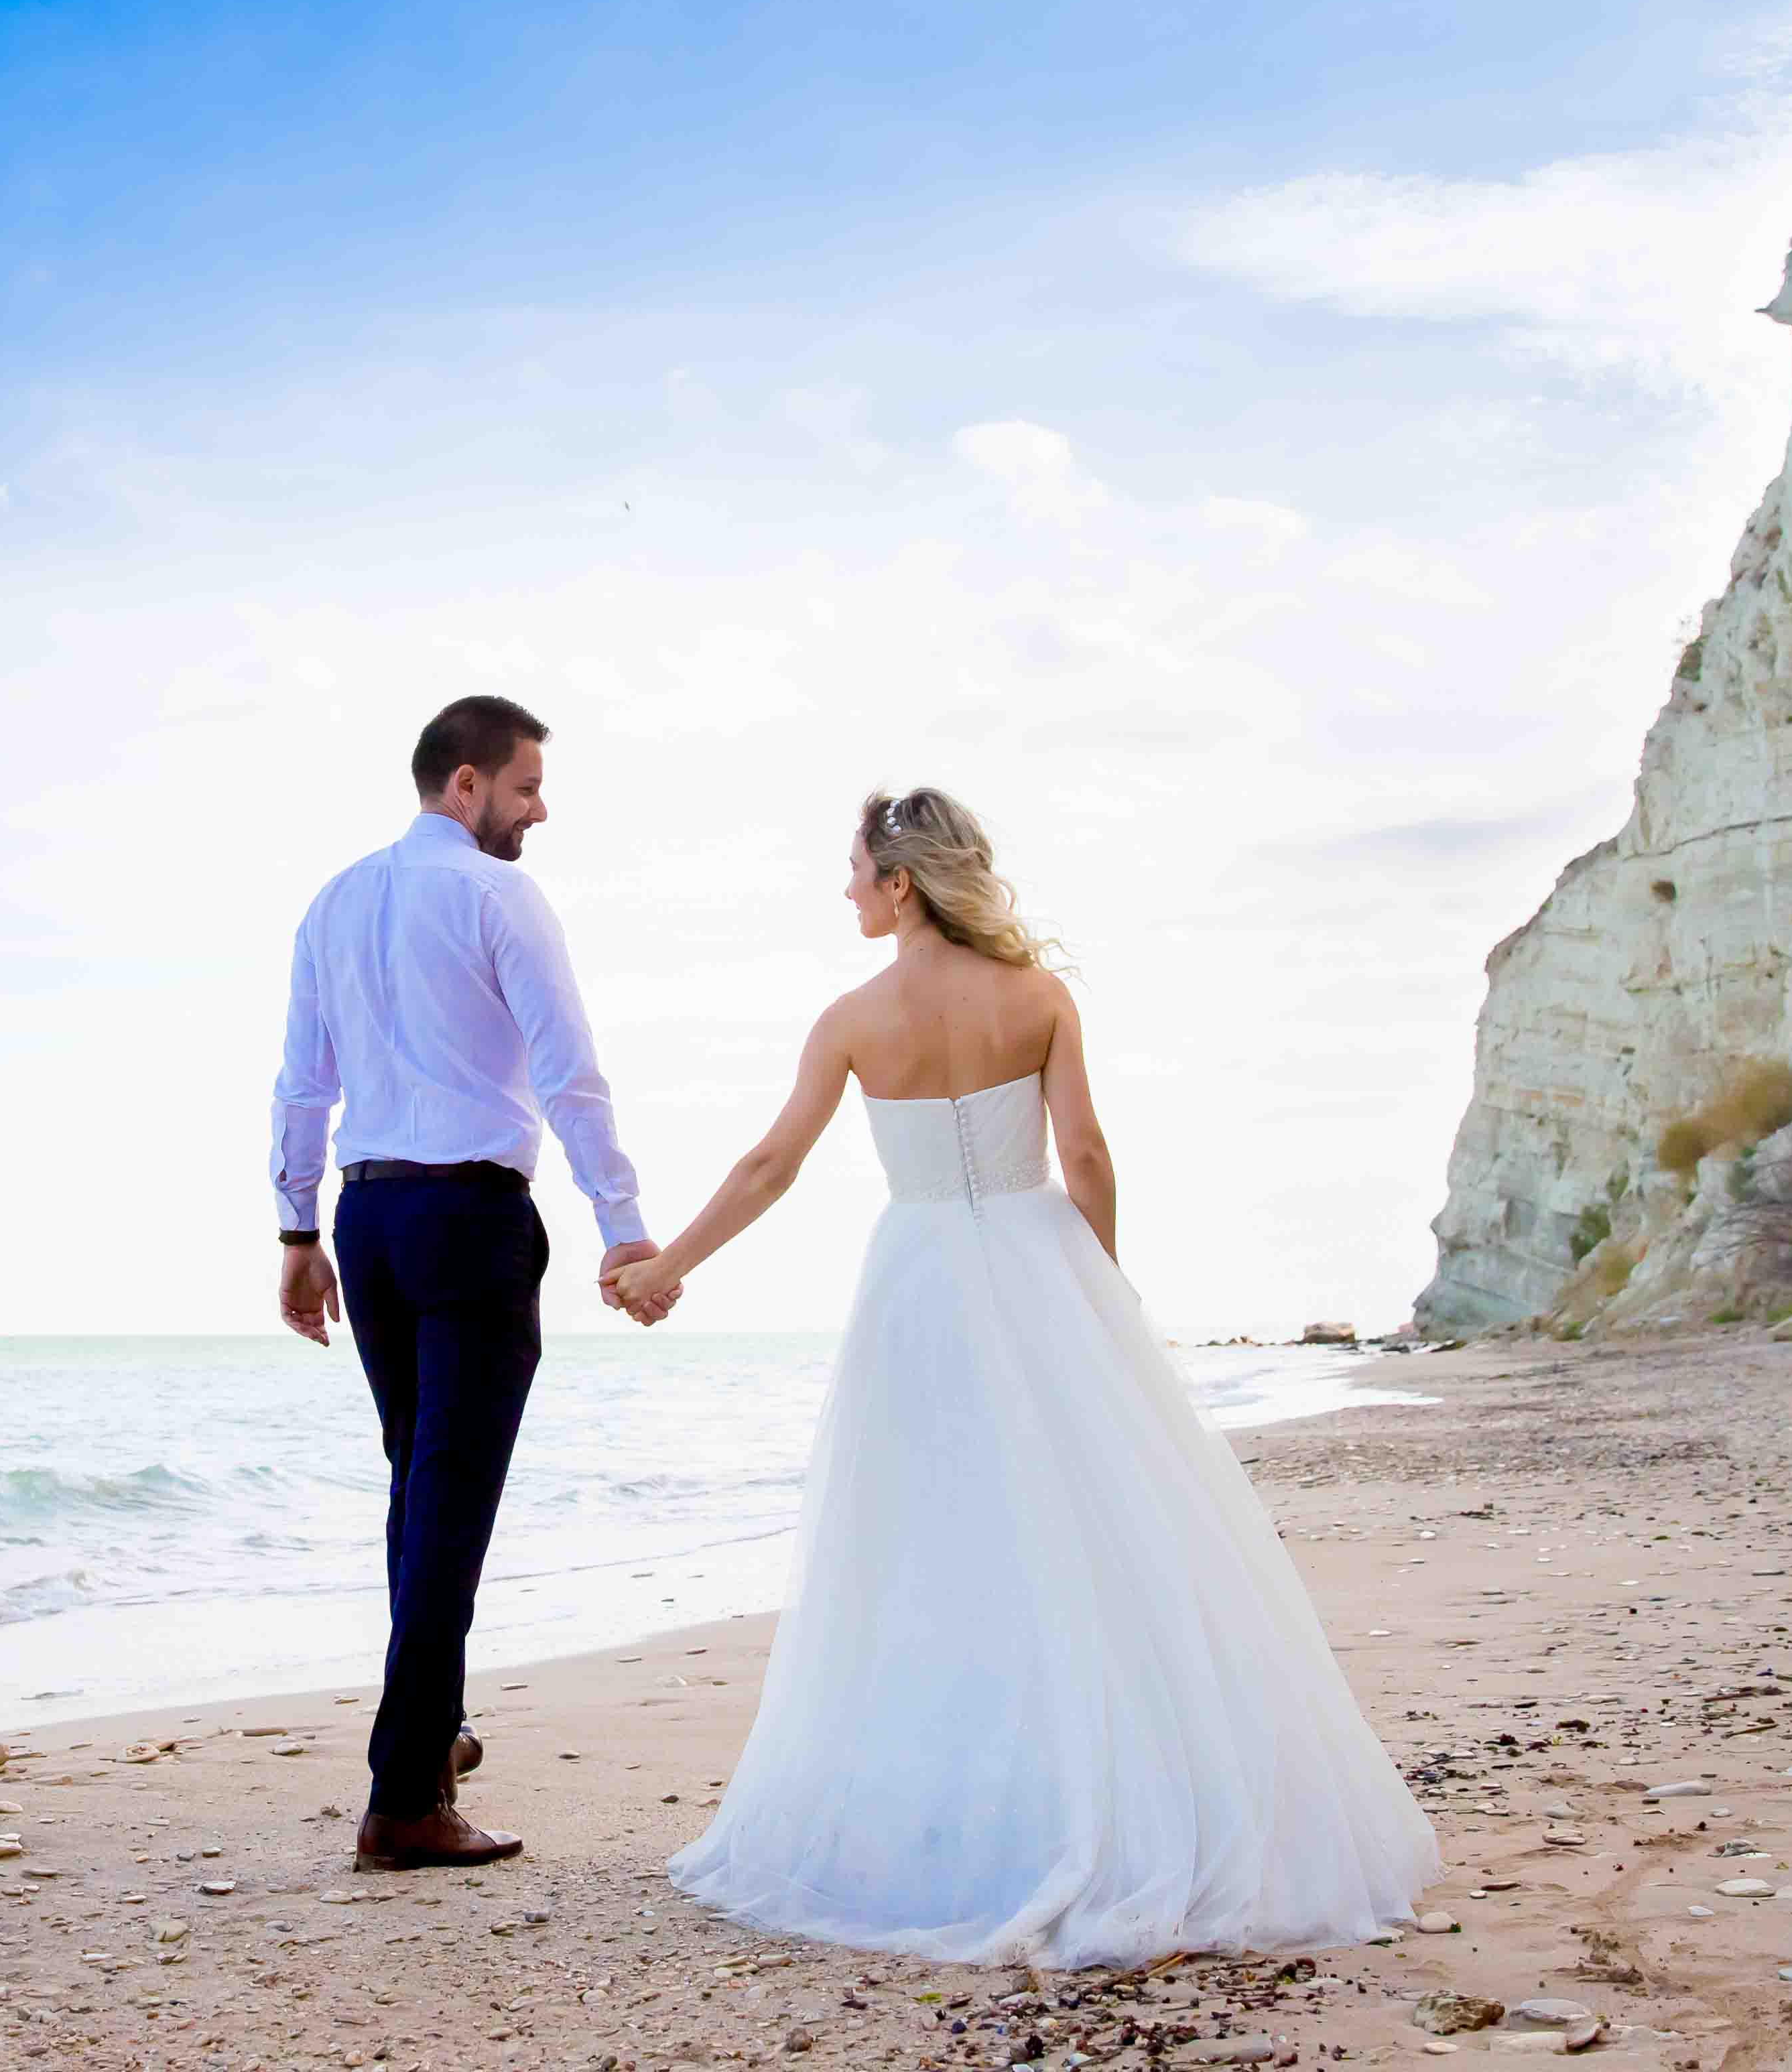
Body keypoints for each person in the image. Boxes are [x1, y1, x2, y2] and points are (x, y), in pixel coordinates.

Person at [600, 787, 1438, 1963]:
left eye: (853, 871)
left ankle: (952, 1820)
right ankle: (1108, 1794)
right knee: (1091, 1543)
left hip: (920, 1286)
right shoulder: (1038, 998)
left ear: (900, 882)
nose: (844, 889)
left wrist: (667, 1267)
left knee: (930, 1551)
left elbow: (769, 1163)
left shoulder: (850, 1019)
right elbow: (1087, 1154)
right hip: (1041, 1270)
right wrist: (1103, 1289)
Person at [269, 693, 662, 1871]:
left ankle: (431, 1736)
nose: (539, 810)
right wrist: (624, 1225)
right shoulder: (497, 895)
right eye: (527, 787)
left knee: (417, 1487)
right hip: (471, 1216)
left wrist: (297, 1228)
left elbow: (301, 1080)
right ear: (466, 785)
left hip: (371, 1215)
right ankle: (404, 1798)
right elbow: (569, 1069)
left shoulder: (334, 902)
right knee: (448, 1501)